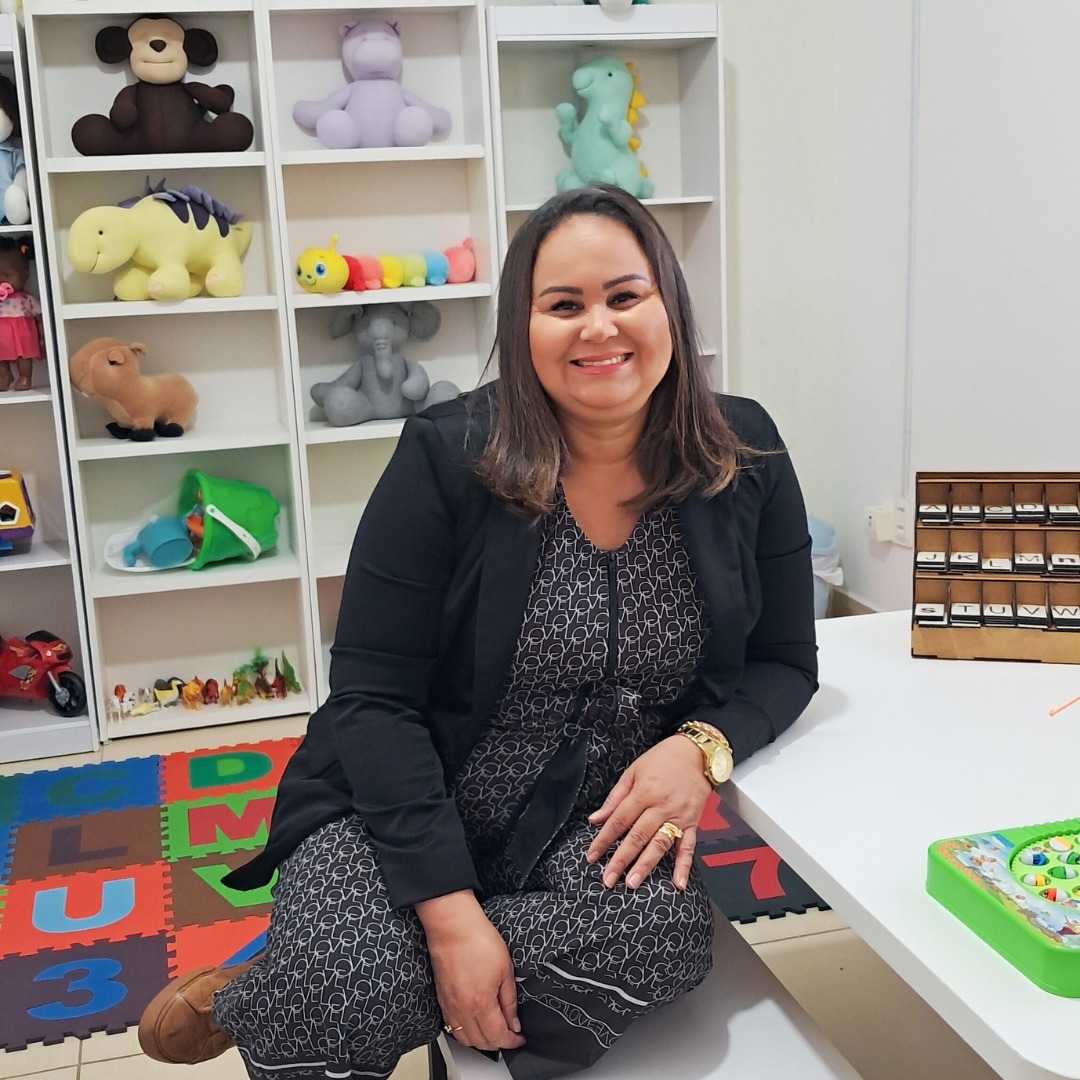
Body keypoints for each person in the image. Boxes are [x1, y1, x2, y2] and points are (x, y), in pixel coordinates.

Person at [137, 184, 818, 1080]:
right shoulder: (448, 454)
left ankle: (285, 984)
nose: (599, 327)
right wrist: (453, 920)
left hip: (587, 826)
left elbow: (785, 662)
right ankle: (335, 972)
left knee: (669, 935)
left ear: (669, 306)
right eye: (563, 305)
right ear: (521, 326)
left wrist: (701, 747)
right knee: (349, 986)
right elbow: (372, 700)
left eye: (625, 295)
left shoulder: (743, 450)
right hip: (401, 805)